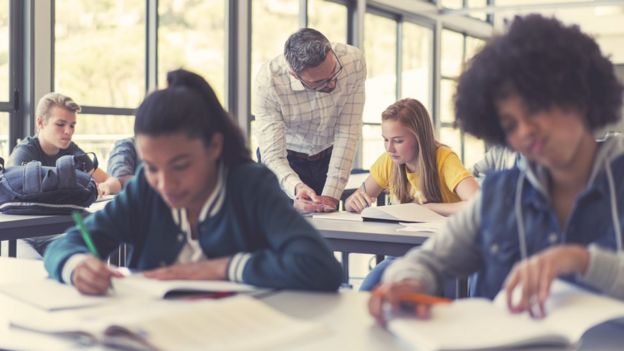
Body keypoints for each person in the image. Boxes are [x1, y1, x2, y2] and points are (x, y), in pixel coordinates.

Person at [369, 14, 624, 323]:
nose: (525, 131)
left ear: (578, 98)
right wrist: (408, 283)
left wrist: (582, 261)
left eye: (535, 110)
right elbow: (429, 260)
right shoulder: (502, 195)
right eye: (510, 124)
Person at [43, 69, 343, 295]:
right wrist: (75, 266)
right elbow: (66, 245)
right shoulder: (145, 190)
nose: (165, 183)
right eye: (151, 167)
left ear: (213, 147)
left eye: (180, 165)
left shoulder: (250, 185)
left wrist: (221, 268)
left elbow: (321, 267)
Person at [345, 98, 480, 291]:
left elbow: (478, 203)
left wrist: (428, 209)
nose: (389, 148)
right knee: (369, 288)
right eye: (385, 140)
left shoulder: (443, 159)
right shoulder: (389, 161)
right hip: (403, 252)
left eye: (398, 141)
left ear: (419, 138)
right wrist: (353, 202)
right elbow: (357, 197)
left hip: (447, 253)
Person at [253, 28, 366, 213]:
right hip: (286, 159)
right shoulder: (269, 82)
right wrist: (296, 188)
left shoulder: (353, 61)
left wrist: (331, 194)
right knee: (282, 229)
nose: (332, 84)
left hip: (329, 157)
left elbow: (348, 131)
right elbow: (272, 155)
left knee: (327, 230)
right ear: (295, 75)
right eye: (319, 82)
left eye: (334, 72)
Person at [7, 92, 119, 259]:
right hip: (23, 236)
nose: (68, 131)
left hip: (59, 232)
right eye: (60, 124)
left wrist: (105, 186)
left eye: (72, 125)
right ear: (40, 122)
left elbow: (114, 181)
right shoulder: (23, 154)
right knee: (34, 270)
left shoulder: (72, 150)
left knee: (86, 259)